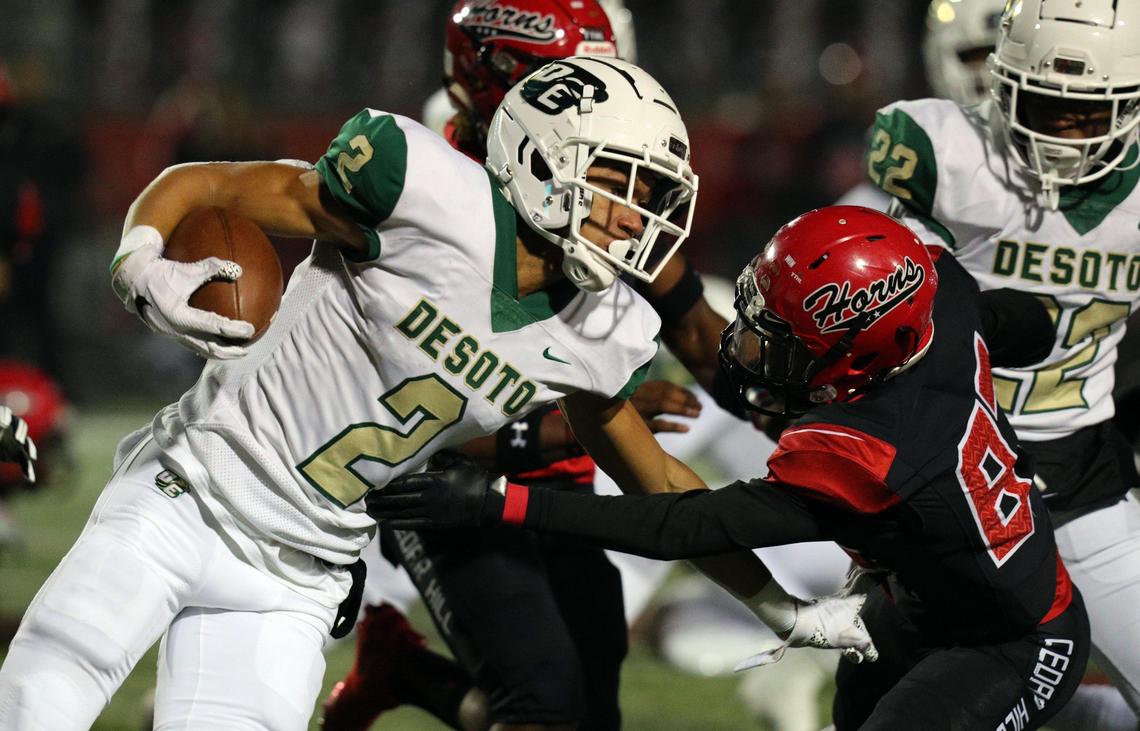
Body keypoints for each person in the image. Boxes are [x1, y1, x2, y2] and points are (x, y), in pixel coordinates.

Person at [0, 57, 873, 730]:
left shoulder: (603, 329)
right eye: (616, 185)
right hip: (185, 493)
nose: (635, 219)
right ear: (539, 158)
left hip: (297, 575)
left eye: (651, 198)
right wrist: (140, 262)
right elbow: (216, 185)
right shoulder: (424, 191)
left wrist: (786, 609)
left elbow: (670, 491)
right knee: (39, 693)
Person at [370, 205, 1087, 731]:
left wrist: (502, 502)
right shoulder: (935, 300)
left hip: (1013, 638)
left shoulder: (868, 447)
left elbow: (680, 523)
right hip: (911, 604)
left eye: (783, 340)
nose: (749, 346)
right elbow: (1029, 324)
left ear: (861, 358)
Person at [323, 5, 735, 730]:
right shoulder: (429, 180)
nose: (599, 95)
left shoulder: (606, 167)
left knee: (587, 690)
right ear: (496, 80)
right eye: (569, 81)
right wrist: (572, 431)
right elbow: (408, 395)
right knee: (540, 695)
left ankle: (409, 671)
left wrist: (807, 396)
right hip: (437, 470)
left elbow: (699, 333)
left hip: (557, 481)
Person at [862, 0, 1140, 719]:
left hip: (1083, 487)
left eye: (1088, 112)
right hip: (947, 488)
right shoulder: (946, 151)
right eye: (1042, 104)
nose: (1062, 133)